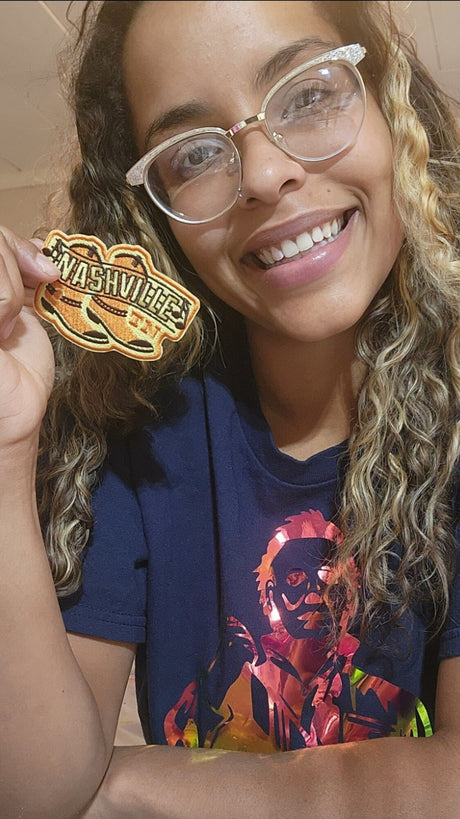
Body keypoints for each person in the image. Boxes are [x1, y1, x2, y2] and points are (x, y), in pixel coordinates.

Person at [1, 0, 460, 816]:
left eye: (308, 94)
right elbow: (38, 790)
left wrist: (126, 784)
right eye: (196, 152)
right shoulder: (134, 431)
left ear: (389, 102)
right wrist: (5, 454)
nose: (263, 174)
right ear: (155, 217)